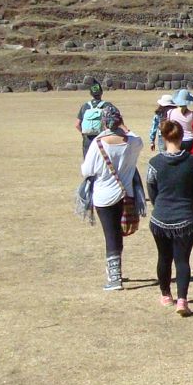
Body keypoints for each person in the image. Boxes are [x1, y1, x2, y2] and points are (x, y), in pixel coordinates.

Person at [79, 104, 143, 291]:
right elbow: (135, 136)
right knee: (117, 234)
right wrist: (124, 127)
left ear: (104, 123)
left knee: (111, 234)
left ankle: (114, 278)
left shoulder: (98, 143)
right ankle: (116, 271)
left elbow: (87, 170)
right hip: (127, 194)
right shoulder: (133, 142)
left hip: (104, 195)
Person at [146, 120, 193, 316]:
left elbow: (152, 190)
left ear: (163, 137)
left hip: (160, 217)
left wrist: (160, 206)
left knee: (164, 257)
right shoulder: (192, 162)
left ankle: (166, 294)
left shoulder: (154, 163)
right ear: (181, 137)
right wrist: (188, 205)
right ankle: (182, 300)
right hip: (186, 218)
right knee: (182, 260)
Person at [75, 81, 116, 156]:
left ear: (91, 93)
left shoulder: (85, 106)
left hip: (87, 141)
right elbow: (116, 121)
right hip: (103, 140)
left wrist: (85, 133)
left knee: (88, 161)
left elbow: (77, 125)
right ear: (101, 92)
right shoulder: (108, 105)